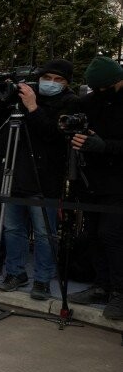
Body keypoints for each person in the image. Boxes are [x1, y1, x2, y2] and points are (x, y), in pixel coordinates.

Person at [0, 60, 75, 300]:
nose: (51, 83)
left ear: (67, 82)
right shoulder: (25, 94)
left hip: (44, 179)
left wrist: (33, 107)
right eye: (47, 77)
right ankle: (15, 273)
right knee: (13, 229)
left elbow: (54, 135)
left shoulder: (69, 102)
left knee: (44, 233)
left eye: (58, 79)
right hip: (14, 175)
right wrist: (6, 98)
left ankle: (42, 280)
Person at [68, 56, 123, 320]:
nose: (99, 93)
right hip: (91, 182)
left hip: (119, 184)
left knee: (112, 236)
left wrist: (105, 146)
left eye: (104, 88)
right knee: (91, 235)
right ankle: (102, 285)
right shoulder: (90, 102)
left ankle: (120, 292)